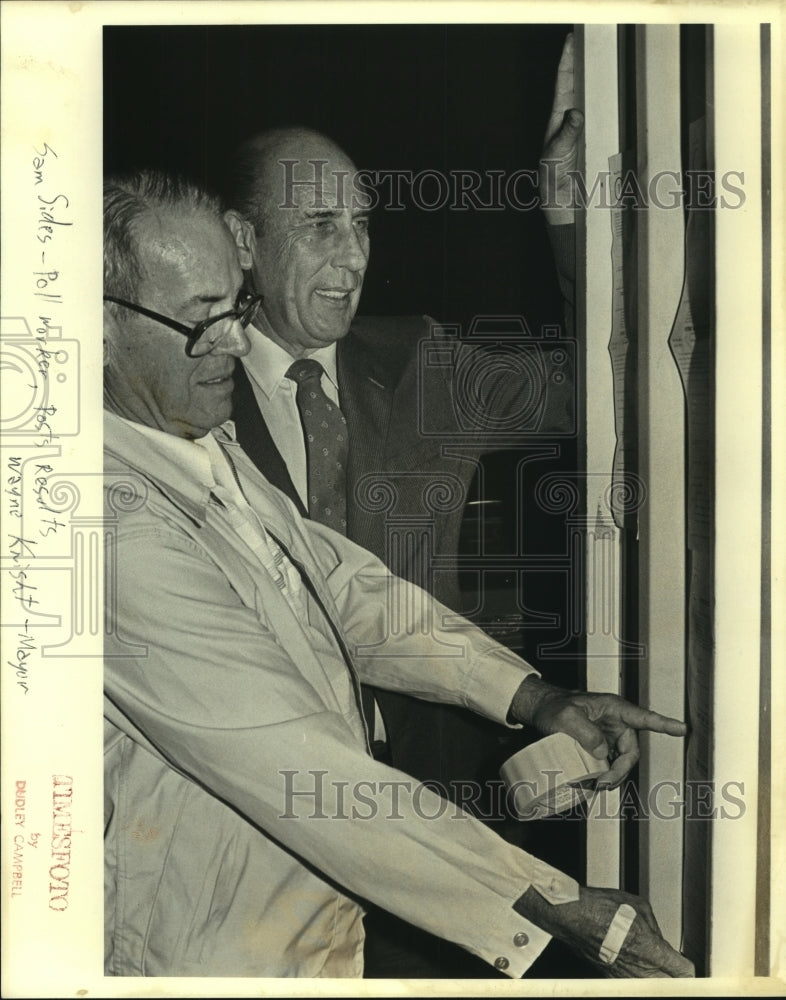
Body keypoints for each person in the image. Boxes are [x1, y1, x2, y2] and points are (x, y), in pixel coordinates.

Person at [102, 168, 694, 980]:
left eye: (233, 311)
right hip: (214, 942)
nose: (233, 344)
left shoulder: (197, 439)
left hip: (345, 892)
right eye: (203, 320)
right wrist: (549, 902)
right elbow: (294, 762)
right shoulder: (107, 522)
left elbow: (347, 592)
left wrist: (533, 697)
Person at [221, 37, 584, 974]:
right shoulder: (184, 403)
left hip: (446, 821)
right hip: (262, 835)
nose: (352, 256)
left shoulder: (420, 364)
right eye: (319, 226)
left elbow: (595, 393)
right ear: (241, 241)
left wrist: (567, 226)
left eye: (364, 224)